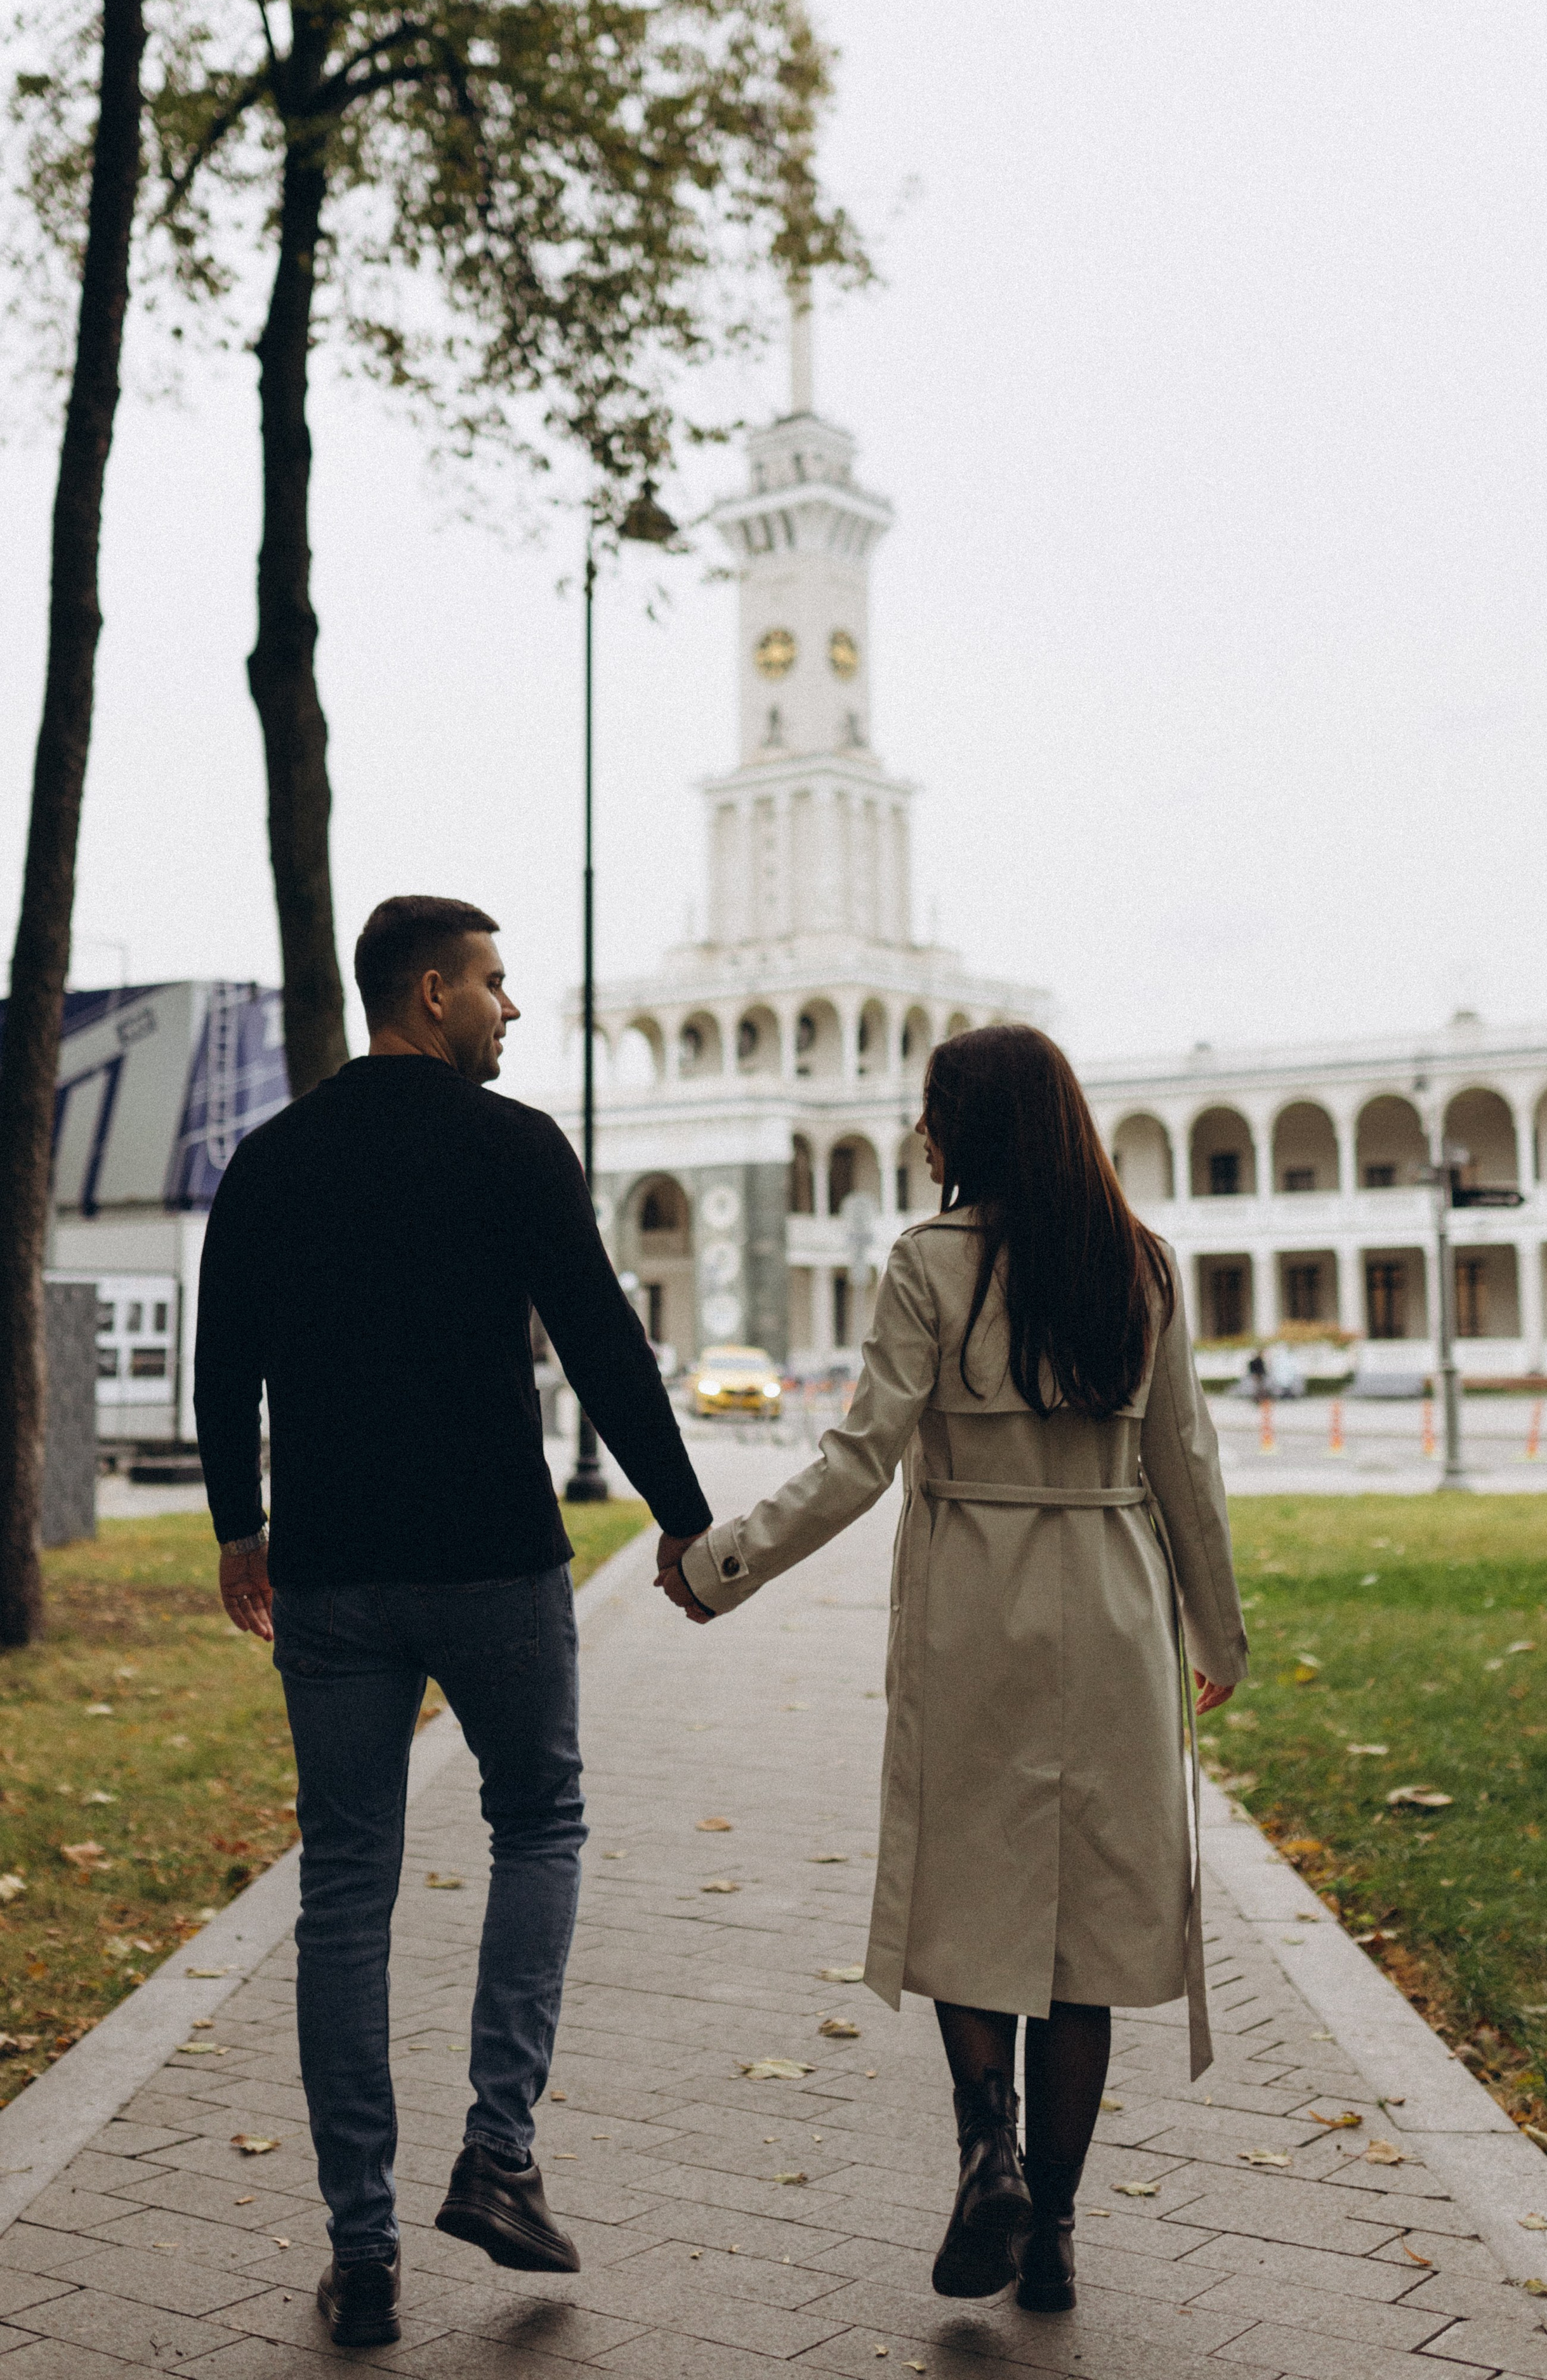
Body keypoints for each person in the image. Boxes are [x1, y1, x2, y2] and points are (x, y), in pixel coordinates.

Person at [658, 1024, 1247, 2314]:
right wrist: (1215, 1634)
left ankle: (986, 2151)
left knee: (967, 1893)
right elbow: (1183, 1466)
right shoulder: (1137, 1265)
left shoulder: (926, 1263)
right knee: (1086, 1930)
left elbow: (856, 1461)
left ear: (968, 1128)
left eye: (932, 1112)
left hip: (972, 1608)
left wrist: (719, 1567)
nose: (921, 1134)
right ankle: (1053, 2231)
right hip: (1112, 1605)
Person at [195, 895, 711, 2350]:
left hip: (337, 1572)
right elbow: (602, 1338)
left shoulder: (276, 1158)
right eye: (492, 984)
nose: (509, 1008)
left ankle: (363, 2251)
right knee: (538, 1820)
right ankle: (499, 2150)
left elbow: (225, 1357)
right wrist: (682, 1517)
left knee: (346, 1889)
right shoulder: (516, 1147)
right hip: (491, 1561)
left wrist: (243, 1526)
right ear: (429, 995)